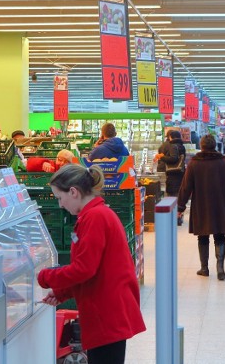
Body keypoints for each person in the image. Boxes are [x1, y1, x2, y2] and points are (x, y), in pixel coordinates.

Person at [37, 164, 146, 363]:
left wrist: (45, 277)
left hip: (107, 312)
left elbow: (83, 269)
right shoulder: (94, 215)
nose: (60, 205)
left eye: (60, 198)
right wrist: (62, 292)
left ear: (73, 192)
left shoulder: (95, 218)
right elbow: (91, 268)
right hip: (107, 309)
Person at [177, 134, 225, 281]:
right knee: (220, 236)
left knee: (203, 236)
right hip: (220, 203)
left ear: (201, 146)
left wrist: (180, 207)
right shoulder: (223, 162)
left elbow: (186, 187)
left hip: (201, 204)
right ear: (214, 146)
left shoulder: (195, 163)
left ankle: (204, 268)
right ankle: (220, 269)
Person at [155, 130, 187, 225]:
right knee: (177, 195)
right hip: (180, 172)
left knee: (171, 195)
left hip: (173, 173)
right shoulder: (182, 146)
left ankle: (174, 217)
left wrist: (162, 157)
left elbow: (173, 159)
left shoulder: (172, 146)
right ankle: (178, 216)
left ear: (170, 137)